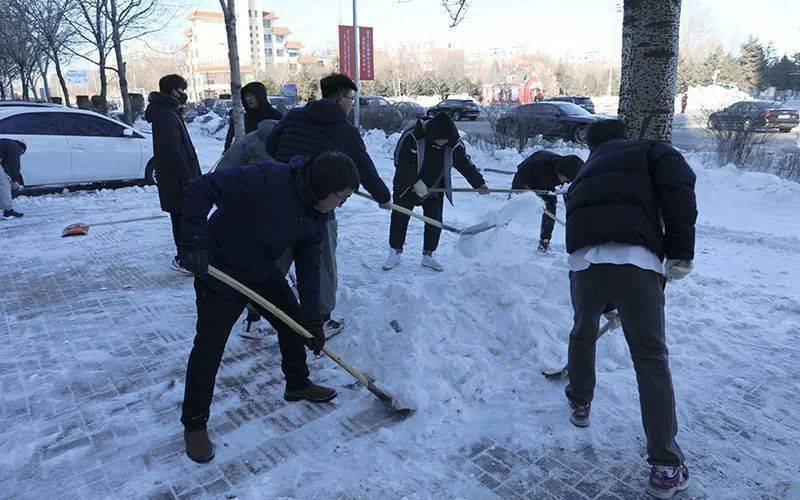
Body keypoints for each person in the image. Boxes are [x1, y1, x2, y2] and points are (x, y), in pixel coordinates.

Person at [177, 151, 360, 464]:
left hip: (259, 267)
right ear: (325, 188)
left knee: (293, 321)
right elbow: (201, 188)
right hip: (221, 267)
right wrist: (193, 244)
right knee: (210, 346)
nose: (341, 204)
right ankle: (194, 423)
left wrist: (312, 321)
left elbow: (310, 269)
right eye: (341, 197)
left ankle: (298, 383)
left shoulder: (316, 216)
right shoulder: (269, 178)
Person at [564, 119, 697, 498]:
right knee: (650, 355)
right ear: (623, 136)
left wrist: (606, 297)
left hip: (584, 264)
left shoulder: (586, 169)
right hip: (636, 263)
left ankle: (580, 403)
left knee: (582, 332)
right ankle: (665, 466)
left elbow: (580, 216)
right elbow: (678, 186)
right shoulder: (651, 150)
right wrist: (681, 251)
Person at [266, 73, 392, 336]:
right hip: (318, 206)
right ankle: (321, 318)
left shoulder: (295, 115)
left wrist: (288, 164)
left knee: (276, 258)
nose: (351, 104)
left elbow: (271, 142)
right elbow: (364, 168)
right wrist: (383, 197)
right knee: (320, 263)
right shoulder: (344, 129)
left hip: (281, 200)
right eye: (350, 98)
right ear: (338, 98)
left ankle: (257, 313)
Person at [383, 113, 489, 272]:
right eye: (441, 139)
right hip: (406, 187)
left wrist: (478, 183)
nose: (444, 143)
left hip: (434, 188)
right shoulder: (412, 136)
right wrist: (415, 183)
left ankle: (428, 256)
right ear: (432, 134)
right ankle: (394, 253)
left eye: (447, 140)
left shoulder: (452, 144)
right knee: (400, 218)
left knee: (434, 221)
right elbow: (400, 161)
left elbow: (465, 165)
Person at [144, 74, 202, 275]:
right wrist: (187, 177)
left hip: (173, 178)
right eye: (181, 90)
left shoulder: (166, 112)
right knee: (185, 219)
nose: (184, 94)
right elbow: (171, 149)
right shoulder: (167, 115)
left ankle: (186, 257)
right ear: (172, 91)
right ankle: (186, 259)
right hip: (179, 179)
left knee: (180, 218)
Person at [511, 150, 583, 252]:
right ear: (560, 172)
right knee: (513, 203)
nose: (567, 182)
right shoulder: (539, 164)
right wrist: (532, 190)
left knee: (550, 207)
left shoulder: (569, 169)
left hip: (546, 183)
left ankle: (544, 240)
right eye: (566, 180)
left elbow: (568, 194)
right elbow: (522, 172)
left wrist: (571, 210)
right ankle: (500, 225)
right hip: (525, 176)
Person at [223, 81, 283, 151]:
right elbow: (230, 139)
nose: (248, 98)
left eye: (251, 95)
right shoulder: (242, 118)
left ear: (260, 96)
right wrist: (226, 151)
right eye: (246, 96)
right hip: (246, 158)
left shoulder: (275, 116)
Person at [0, 138, 26, 219]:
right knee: (3, 185)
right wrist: (15, 180)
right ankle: (8, 211)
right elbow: (14, 164)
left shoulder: (6, 143)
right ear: (22, 149)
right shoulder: (15, 147)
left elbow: (5, 166)